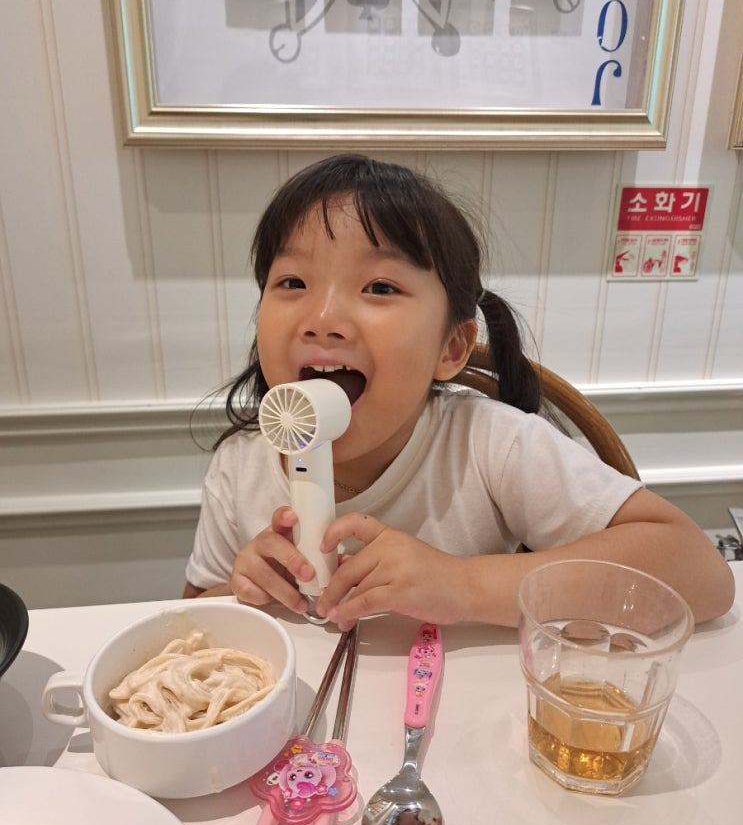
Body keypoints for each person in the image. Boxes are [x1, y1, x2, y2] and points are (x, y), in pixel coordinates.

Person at [184, 154, 733, 628]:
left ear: (450, 347)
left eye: (380, 287)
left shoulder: (490, 445)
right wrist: (241, 593)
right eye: (292, 282)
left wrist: (464, 584)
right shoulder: (240, 466)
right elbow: (187, 612)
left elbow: (701, 573)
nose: (322, 319)